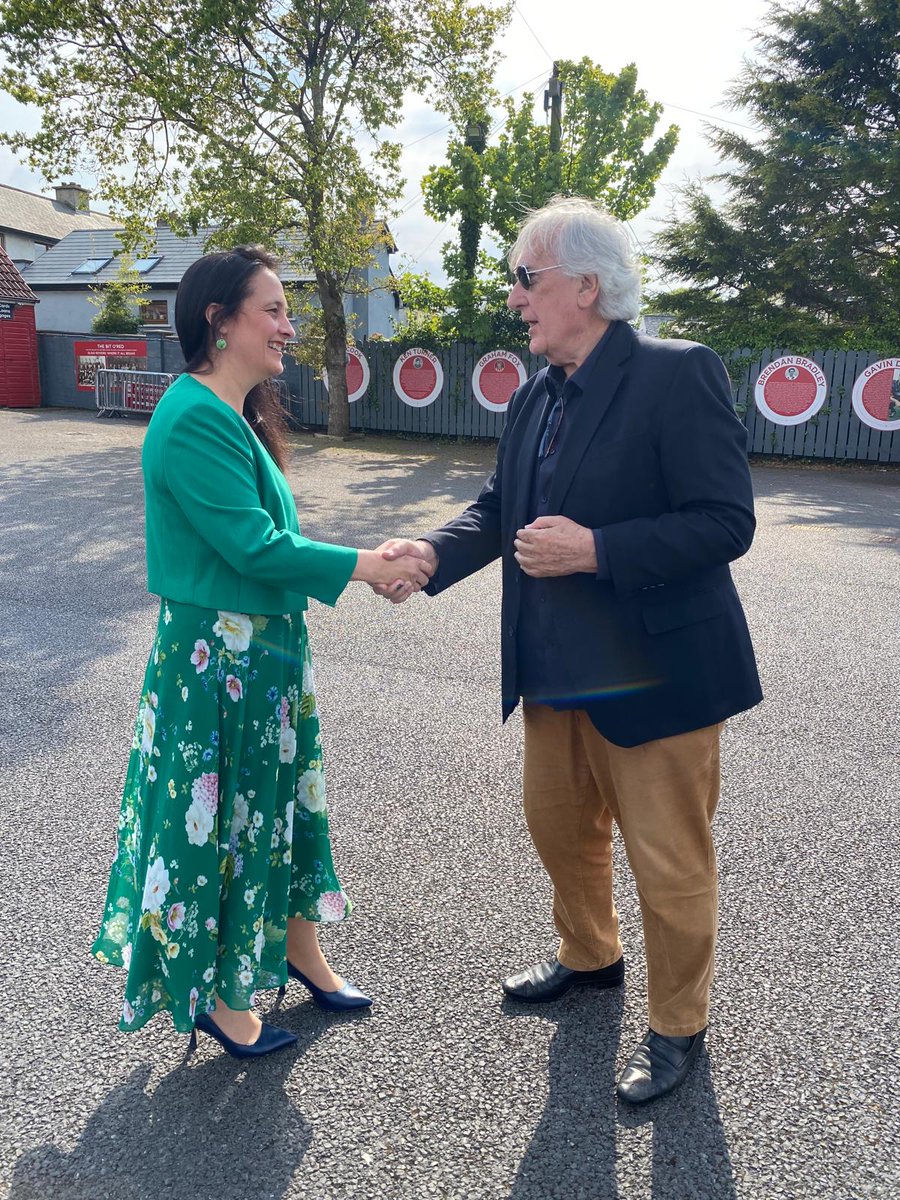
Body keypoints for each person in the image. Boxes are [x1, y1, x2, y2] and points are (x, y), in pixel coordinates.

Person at [377, 197, 762, 1103]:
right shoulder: (537, 389)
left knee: (668, 863)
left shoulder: (678, 373)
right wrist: (434, 554)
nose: (514, 299)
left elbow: (726, 522)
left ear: (586, 287)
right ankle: (590, 958)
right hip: (555, 673)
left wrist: (598, 549)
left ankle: (678, 1026)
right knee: (562, 834)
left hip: (658, 677)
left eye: (526, 278)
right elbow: (497, 505)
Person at [91, 246, 432, 1058]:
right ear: (220, 319)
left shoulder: (228, 412)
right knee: (224, 824)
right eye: (273, 309)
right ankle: (215, 994)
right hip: (220, 665)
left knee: (280, 810)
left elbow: (267, 542)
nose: (289, 326)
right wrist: (368, 565)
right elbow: (254, 548)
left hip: (261, 660)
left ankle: (297, 948)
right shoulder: (193, 419)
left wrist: (359, 566)